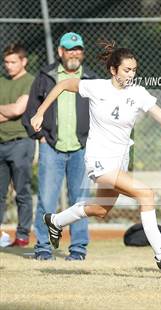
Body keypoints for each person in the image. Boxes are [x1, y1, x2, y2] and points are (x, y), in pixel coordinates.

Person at [30, 42, 161, 269]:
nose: (131, 74)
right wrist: (40, 112)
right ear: (113, 70)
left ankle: (55, 221)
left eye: (134, 70)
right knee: (146, 194)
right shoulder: (97, 87)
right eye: (127, 70)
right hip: (99, 160)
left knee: (100, 209)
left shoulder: (138, 93)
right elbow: (64, 84)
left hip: (119, 162)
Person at [22, 32, 95, 261]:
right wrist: (41, 136)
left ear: (82, 52)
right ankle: (43, 247)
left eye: (78, 49)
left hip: (82, 149)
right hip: (51, 147)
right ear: (60, 52)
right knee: (46, 200)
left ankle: (78, 249)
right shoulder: (45, 76)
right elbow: (31, 111)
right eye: (69, 49)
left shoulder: (92, 79)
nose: (74, 53)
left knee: (80, 202)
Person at [0, 44, 35, 247]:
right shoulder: (2, 81)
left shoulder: (30, 82)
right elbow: (11, 110)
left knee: (22, 191)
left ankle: (22, 236)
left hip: (21, 142)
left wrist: (11, 110)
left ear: (23, 61)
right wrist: (9, 110)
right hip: (1, 142)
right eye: (6, 62)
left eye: (13, 62)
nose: (9, 66)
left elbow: (17, 110)